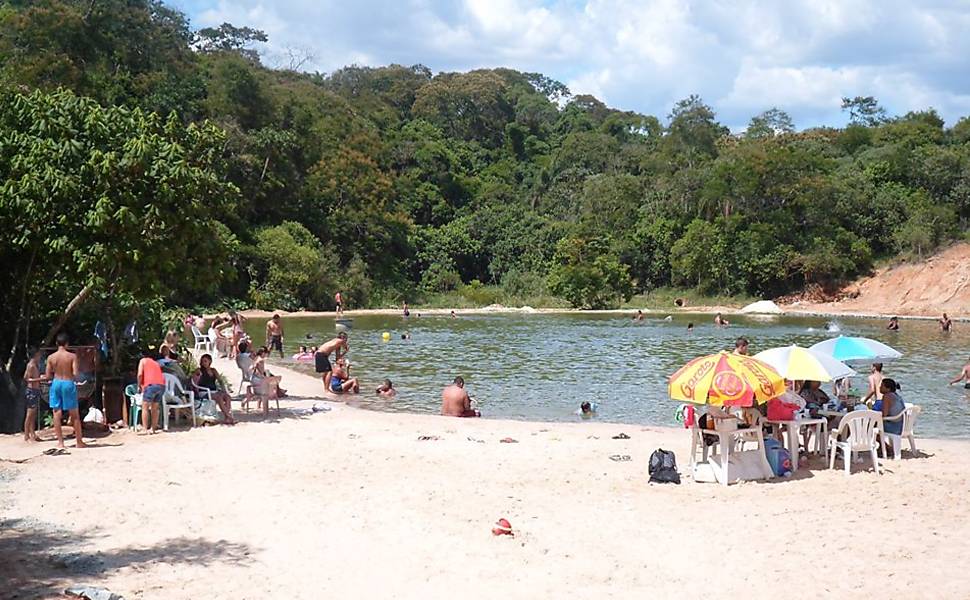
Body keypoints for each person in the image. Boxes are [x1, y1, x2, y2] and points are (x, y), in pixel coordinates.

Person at [45, 334, 86, 449]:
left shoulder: (51, 358)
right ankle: (79, 442)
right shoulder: (72, 356)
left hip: (56, 383)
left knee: (56, 413)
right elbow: (76, 373)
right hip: (68, 383)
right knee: (74, 414)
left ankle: (60, 442)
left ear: (56, 344)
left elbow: (48, 375)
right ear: (67, 344)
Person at [192, 353, 235, 424]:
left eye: (205, 361)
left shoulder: (213, 370)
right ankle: (229, 417)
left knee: (227, 397)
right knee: (219, 397)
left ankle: (227, 417)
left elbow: (220, 380)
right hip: (204, 391)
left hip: (214, 391)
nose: (203, 363)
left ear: (210, 361)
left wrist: (224, 389)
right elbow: (193, 381)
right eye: (202, 361)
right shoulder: (199, 370)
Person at [137, 347, 166, 435]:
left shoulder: (143, 361)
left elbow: (140, 374)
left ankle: (145, 429)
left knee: (145, 407)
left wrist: (139, 385)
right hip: (161, 385)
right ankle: (153, 429)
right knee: (155, 408)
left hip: (150, 385)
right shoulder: (155, 363)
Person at [23, 347, 45, 442]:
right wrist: (40, 379)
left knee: (33, 414)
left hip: (34, 390)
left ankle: (33, 434)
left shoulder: (33, 365)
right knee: (29, 414)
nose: (40, 356)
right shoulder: (31, 365)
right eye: (39, 354)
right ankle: (26, 435)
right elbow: (27, 379)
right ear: (36, 355)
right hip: (31, 391)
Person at [880, 378, 906, 451]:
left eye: (882, 386)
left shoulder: (887, 396)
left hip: (893, 427)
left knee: (871, 428)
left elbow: (884, 415)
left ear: (888, 388)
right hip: (900, 425)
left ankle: (887, 448)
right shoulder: (897, 396)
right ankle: (884, 448)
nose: (879, 388)